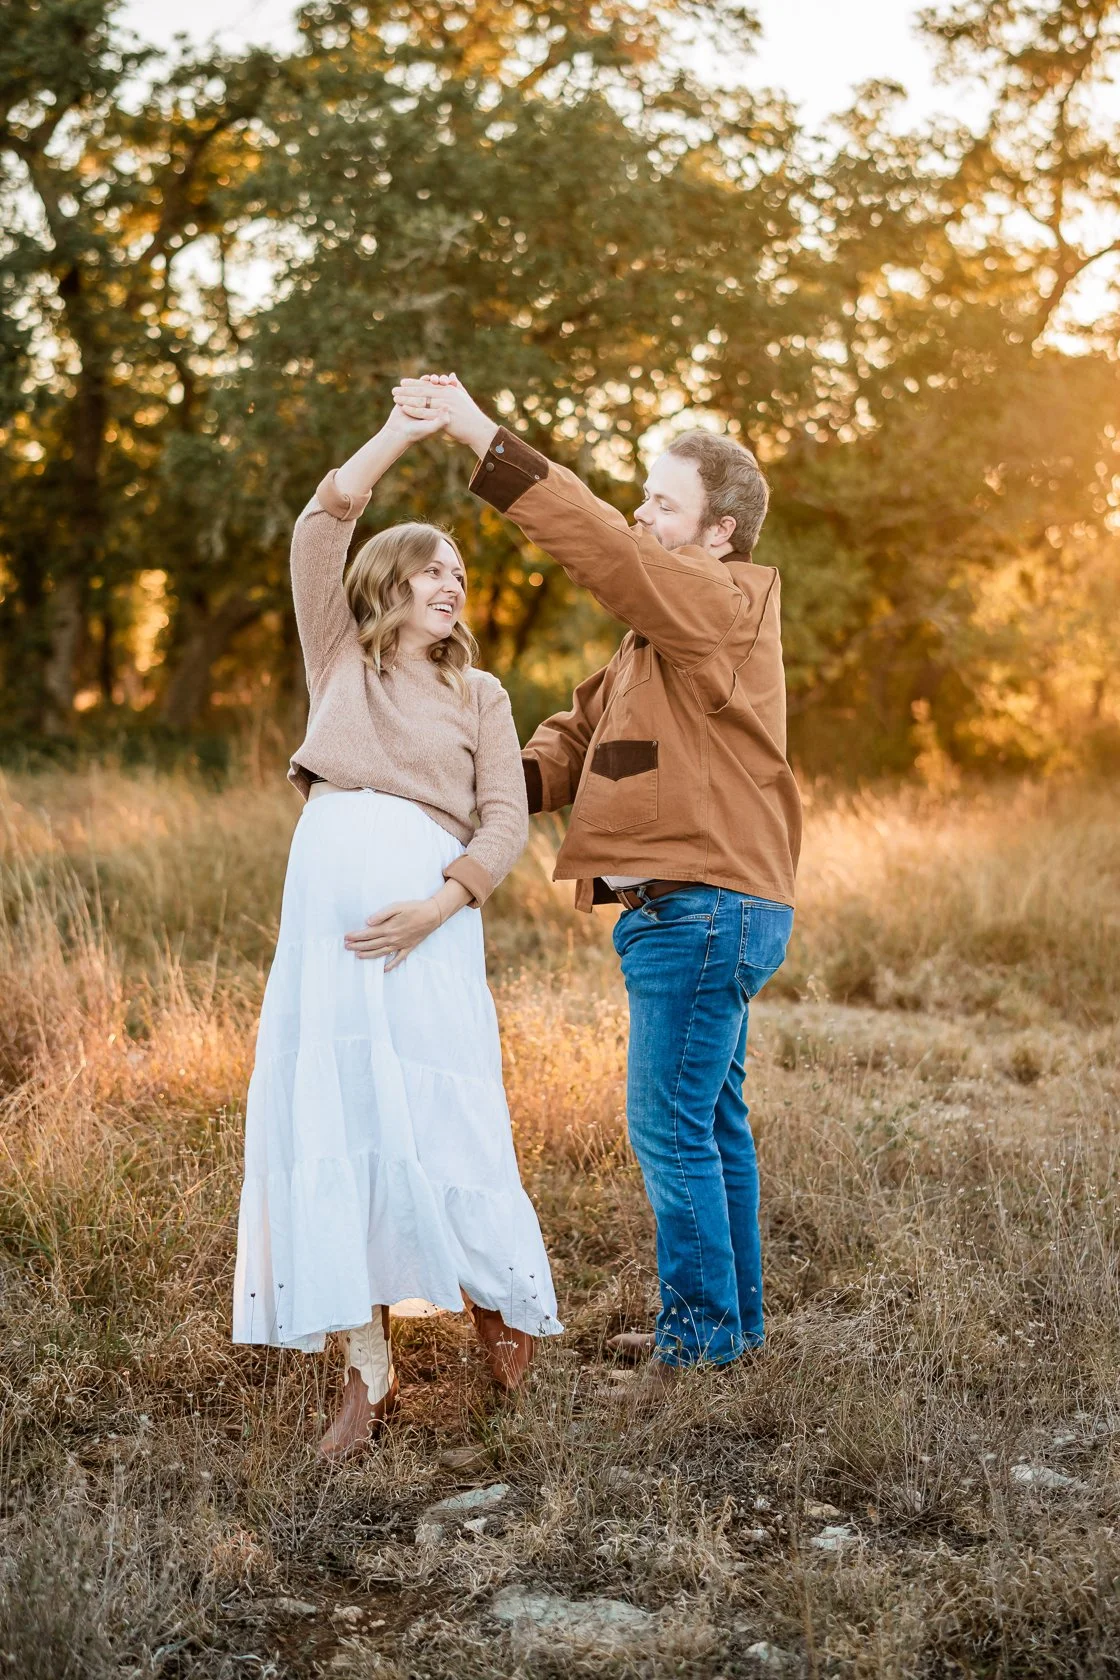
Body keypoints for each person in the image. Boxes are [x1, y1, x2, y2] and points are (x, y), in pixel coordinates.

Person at [393, 373, 801, 1404]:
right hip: (701, 907)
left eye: (662, 502)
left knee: (670, 1125)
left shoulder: (715, 600)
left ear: (717, 532)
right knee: (709, 1122)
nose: (639, 514)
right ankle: (730, 1328)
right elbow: (575, 742)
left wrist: (484, 435)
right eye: (643, 497)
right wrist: (478, 791)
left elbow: (605, 551)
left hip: (701, 903)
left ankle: (701, 1346)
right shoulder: (658, 638)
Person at [232, 397, 562, 1457]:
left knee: (439, 1109)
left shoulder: (480, 694)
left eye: (459, 575)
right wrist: (404, 431)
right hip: (326, 916)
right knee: (344, 1121)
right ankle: (364, 1381)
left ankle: (496, 1313)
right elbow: (319, 523)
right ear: (387, 583)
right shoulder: (340, 656)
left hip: (428, 915)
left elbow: (507, 815)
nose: (451, 584)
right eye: (431, 568)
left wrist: (440, 898)